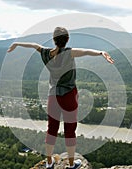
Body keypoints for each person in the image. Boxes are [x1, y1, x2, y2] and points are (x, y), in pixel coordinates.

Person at [7, 27, 114, 169]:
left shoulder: (46, 53)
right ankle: (71, 165)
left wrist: (17, 44)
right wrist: (101, 53)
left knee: (52, 129)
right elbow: (86, 51)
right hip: (69, 95)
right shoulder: (69, 53)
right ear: (67, 40)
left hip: (53, 96)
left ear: (54, 39)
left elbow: (33, 45)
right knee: (70, 131)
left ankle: (49, 162)